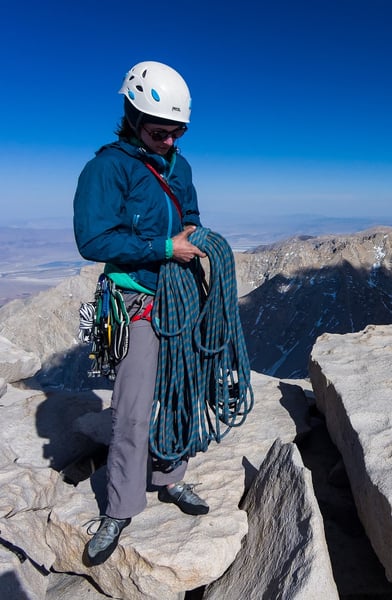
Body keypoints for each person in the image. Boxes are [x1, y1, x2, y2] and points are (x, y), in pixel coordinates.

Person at [73, 61, 209, 566]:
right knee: (132, 407)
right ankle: (121, 505)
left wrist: (193, 240)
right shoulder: (108, 168)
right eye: (160, 130)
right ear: (132, 116)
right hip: (135, 299)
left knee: (178, 393)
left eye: (178, 131)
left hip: (178, 296)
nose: (170, 140)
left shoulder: (180, 166)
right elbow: (94, 239)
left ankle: (170, 477)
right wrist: (163, 248)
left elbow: (190, 216)